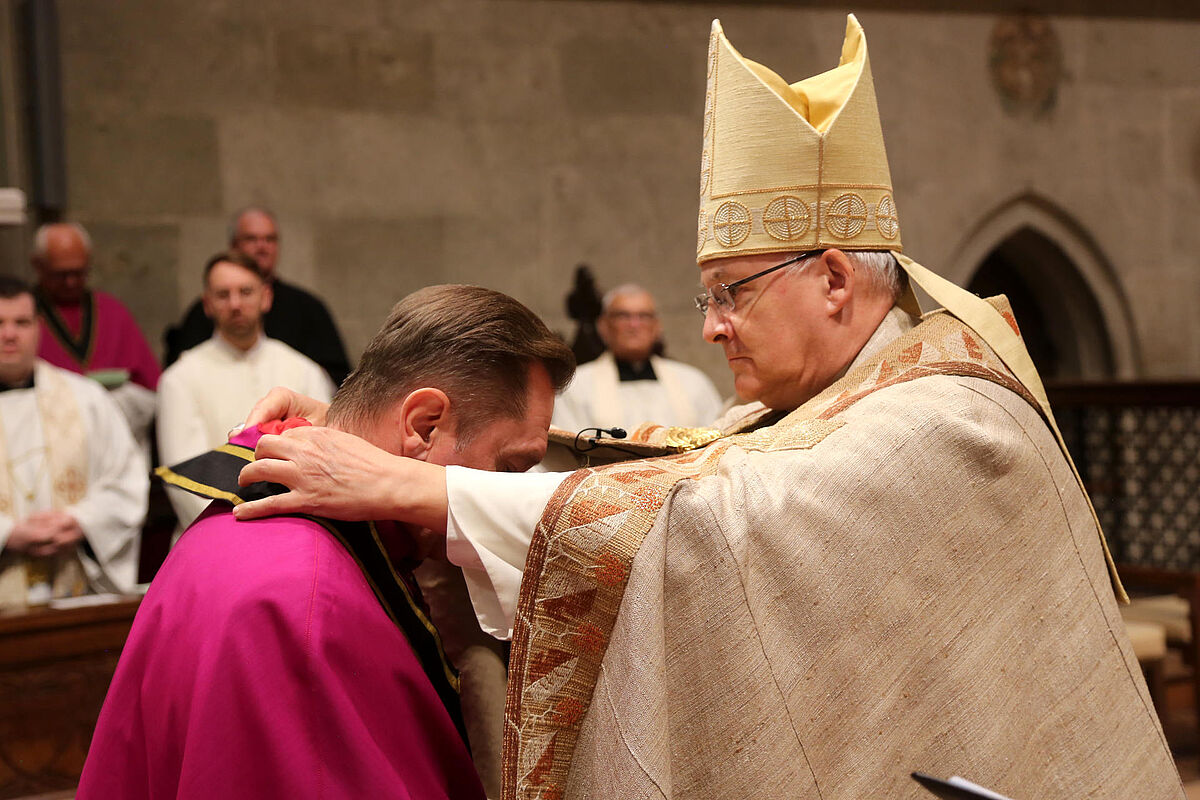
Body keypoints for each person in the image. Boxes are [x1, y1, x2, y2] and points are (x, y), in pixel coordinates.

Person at [235, 16, 1182, 799]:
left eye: (733, 291)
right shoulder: (833, 393)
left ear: (837, 279)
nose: (716, 327)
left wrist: (408, 485)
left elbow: (718, 516)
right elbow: (670, 462)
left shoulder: (952, 419)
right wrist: (375, 428)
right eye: (710, 298)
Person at [78, 285, 576, 800]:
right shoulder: (308, 598)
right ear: (423, 425)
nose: (502, 495)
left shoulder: (261, 509)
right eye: (510, 467)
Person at [157, 250, 335, 528]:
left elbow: (325, 456)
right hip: (212, 535)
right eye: (223, 294)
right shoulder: (179, 378)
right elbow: (186, 481)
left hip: (295, 528)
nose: (235, 304)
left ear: (266, 297)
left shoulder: (305, 370)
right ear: (207, 304)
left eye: (246, 291)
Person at [0, 276, 146, 608]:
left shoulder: (86, 399)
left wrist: (82, 521)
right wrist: (7, 534)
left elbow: (127, 480)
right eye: (0, 323)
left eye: (21, 322)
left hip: (76, 597)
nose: (9, 334)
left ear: (37, 328)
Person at [163, 207, 351, 385]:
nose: (235, 305)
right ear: (233, 245)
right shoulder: (201, 315)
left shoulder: (309, 308)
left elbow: (336, 380)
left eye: (270, 239)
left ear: (266, 298)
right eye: (251, 239)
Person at [31, 222, 161, 448]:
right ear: (38, 266)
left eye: (79, 272)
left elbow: (151, 390)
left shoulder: (113, 311)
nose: (71, 282)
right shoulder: (23, 317)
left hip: (113, 440)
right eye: (61, 274)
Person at [551, 283, 723, 433]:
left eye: (644, 316)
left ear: (657, 327)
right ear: (603, 326)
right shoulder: (576, 385)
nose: (634, 325)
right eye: (623, 316)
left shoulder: (693, 382)